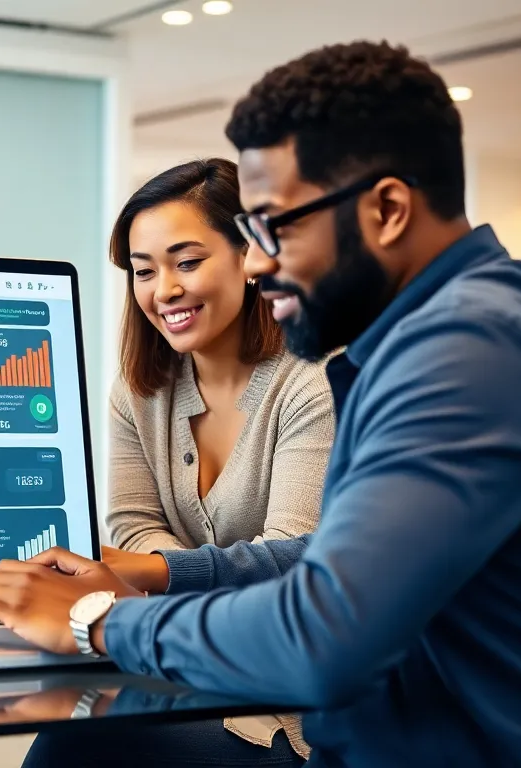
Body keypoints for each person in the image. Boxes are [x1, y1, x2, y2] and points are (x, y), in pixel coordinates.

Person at [0, 41, 521, 766]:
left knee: (79, 752)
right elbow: (322, 561)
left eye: (272, 227)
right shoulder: (437, 337)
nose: (256, 263)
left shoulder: (470, 352)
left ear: (387, 210)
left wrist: (99, 619)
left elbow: (323, 634)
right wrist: (151, 577)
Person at [100, 158, 335, 761]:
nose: (163, 290)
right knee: (78, 732)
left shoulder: (312, 381)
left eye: (187, 262)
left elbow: (292, 561)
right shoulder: (139, 390)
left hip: (296, 699)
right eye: (144, 270)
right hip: (185, 669)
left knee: (91, 746)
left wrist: (157, 576)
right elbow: (132, 524)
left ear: (247, 257)